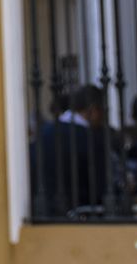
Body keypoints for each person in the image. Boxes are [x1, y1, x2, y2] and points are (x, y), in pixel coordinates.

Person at [33, 83, 117, 213]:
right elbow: (102, 188)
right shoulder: (92, 139)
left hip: (41, 211)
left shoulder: (44, 132)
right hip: (78, 214)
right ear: (93, 110)